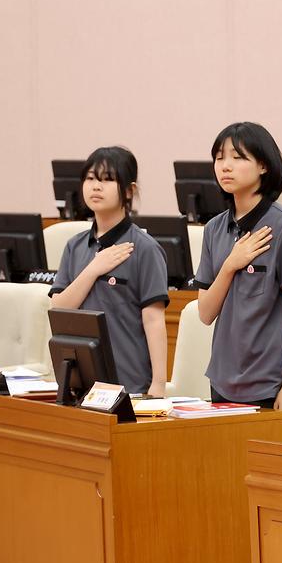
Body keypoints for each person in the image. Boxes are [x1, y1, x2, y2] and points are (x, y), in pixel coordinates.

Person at [194, 122, 282, 442]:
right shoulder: (214, 229)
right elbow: (205, 313)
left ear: (263, 166)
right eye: (219, 158)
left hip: (270, 386)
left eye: (237, 157)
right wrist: (230, 265)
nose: (225, 166)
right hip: (223, 382)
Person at [50, 146, 169, 397]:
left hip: (130, 384)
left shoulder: (145, 249)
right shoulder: (75, 246)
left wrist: (158, 384)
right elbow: (59, 309)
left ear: (129, 190)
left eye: (107, 179)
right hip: (81, 384)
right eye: (91, 178)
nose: (96, 186)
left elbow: (154, 320)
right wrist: (93, 269)